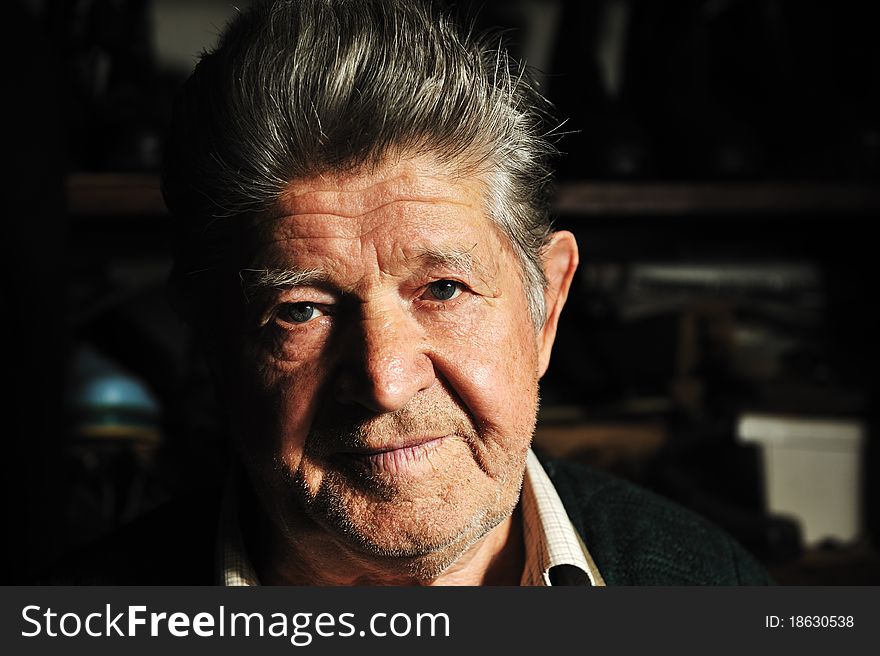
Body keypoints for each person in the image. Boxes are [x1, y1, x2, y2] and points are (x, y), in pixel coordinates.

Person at [48, 0, 770, 586]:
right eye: (302, 309)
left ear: (545, 306)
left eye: (444, 290)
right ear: (209, 337)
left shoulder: (715, 590)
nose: (386, 381)